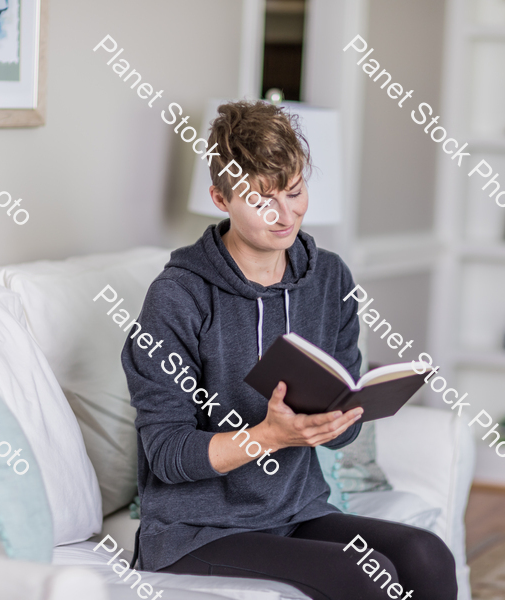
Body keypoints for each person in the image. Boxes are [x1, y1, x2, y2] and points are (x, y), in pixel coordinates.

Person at [121, 100, 457, 600]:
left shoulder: (329, 277)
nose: (285, 215)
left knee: (426, 555)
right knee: (363, 578)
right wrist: (269, 437)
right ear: (221, 198)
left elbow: (343, 431)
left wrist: (341, 420)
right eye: (262, 201)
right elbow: (168, 456)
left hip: (297, 511)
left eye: (295, 192)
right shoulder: (178, 296)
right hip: (198, 531)